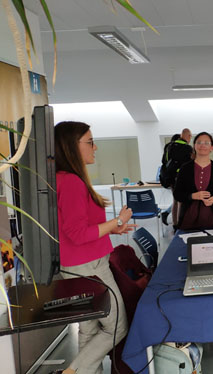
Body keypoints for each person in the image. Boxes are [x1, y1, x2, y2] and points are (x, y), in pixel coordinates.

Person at [54, 121, 135, 374]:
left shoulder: (66, 179)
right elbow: (78, 234)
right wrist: (117, 220)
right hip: (88, 266)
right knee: (118, 326)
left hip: (79, 264)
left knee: (89, 330)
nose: (95, 147)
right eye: (89, 142)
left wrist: (112, 228)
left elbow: (79, 227)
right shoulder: (71, 182)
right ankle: (73, 371)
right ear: (70, 147)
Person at [173, 132, 213, 230]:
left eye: (206, 143)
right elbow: (177, 194)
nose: (202, 145)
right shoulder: (185, 168)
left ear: (212, 147)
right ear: (194, 146)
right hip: (187, 222)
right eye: (199, 142)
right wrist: (192, 196)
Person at [160, 128, 193, 227]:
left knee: (175, 200)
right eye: (190, 136)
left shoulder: (168, 146)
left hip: (169, 177)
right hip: (181, 178)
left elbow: (164, 162)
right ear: (188, 136)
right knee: (181, 201)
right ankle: (180, 223)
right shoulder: (188, 148)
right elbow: (190, 165)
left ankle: (175, 224)